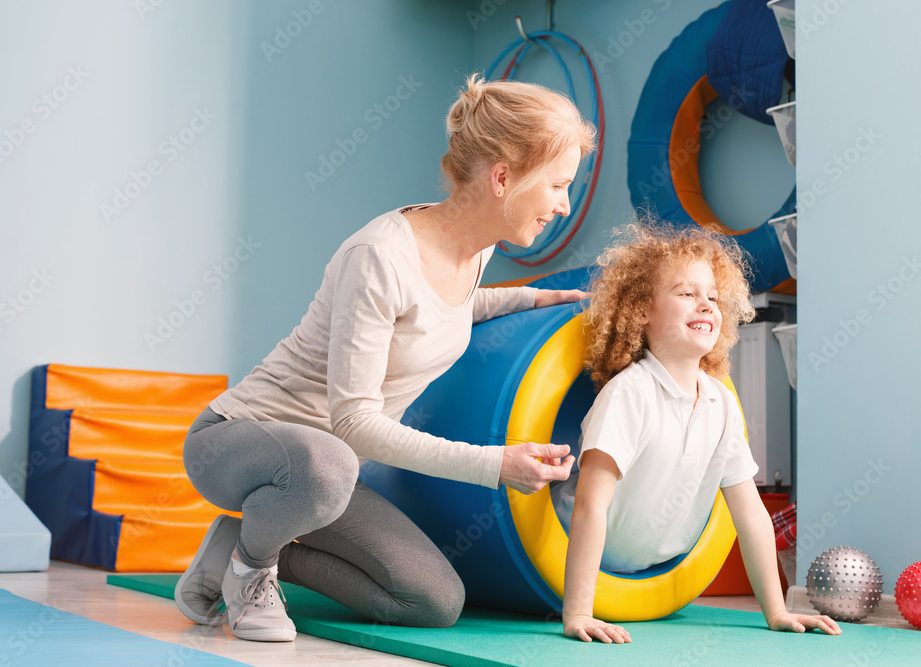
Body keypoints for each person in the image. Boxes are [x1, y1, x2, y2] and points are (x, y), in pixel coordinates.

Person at [174, 74, 595, 642]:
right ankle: (252, 573)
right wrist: (495, 465)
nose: (565, 205)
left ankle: (241, 547)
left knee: (431, 600)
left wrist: (528, 297)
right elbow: (356, 425)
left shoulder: (476, 247)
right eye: (558, 185)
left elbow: (432, 310)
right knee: (332, 461)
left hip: (324, 474)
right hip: (237, 442)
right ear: (503, 177)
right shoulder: (379, 256)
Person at [560, 223, 842, 643]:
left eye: (712, 296)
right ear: (642, 309)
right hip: (583, 551)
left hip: (655, 568)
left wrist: (778, 609)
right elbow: (589, 506)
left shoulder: (721, 403)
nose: (706, 305)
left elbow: (750, 514)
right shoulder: (629, 393)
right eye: (687, 294)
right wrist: (579, 612)